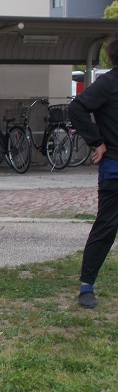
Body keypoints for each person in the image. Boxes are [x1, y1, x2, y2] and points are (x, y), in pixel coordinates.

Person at [68, 37, 118, 309]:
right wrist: (96, 141)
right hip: (114, 170)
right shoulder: (108, 84)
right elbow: (76, 108)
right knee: (107, 227)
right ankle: (87, 286)